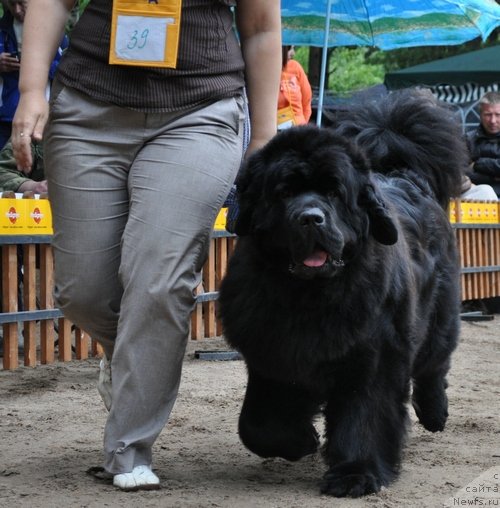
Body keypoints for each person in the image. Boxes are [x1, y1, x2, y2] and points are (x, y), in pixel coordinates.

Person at [12, 0, 281, 492]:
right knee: (83, 293)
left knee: (159, 282)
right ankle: (135, 355)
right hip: (87, 109)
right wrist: (32, 90)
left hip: (201, 111)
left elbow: (261, 26)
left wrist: (263, 136)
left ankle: (128, 449)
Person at [0, 0, 68, 149]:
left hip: (40, 115)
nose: (17, 10)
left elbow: (65, 68)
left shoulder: (53, 30)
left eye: (22, 3)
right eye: (12, 5)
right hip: (5, 114)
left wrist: (37, 65)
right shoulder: (2, 29)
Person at [467, 91, 500, 197]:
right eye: (488, 115)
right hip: (478, 200)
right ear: (480, 115)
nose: (493, 120)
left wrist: (477, 164)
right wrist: (494, 176)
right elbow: (461, 173)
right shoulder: (468, 139)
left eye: (498, 115)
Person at [277, 45, 312, 130]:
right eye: (289, 48)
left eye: (294, 48)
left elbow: (306, 101)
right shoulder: (265, 69)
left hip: (299, 129)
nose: (293, 53)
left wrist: (302, 124)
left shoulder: (295, 67)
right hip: (274, 130)